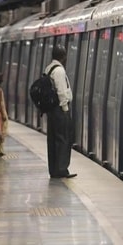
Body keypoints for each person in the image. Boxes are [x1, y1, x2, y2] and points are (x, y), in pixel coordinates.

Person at [45, 46, 76, 178]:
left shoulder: (49, 68)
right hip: (59, 110)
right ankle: (62, 169)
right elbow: (62, 92)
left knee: (53, 140)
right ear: (63, 57)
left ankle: (54, 169)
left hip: (52, 110)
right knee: (63, 139)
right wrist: (65, 110)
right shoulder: (59, 71)